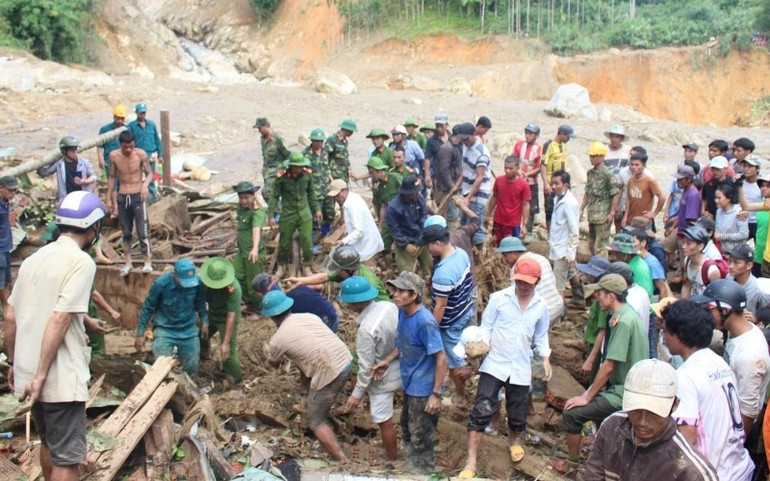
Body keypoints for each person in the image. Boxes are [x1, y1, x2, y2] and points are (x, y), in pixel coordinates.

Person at [5, 191, 105, 481]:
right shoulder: (81, 262)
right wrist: (41, 374)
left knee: (49, 443)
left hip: (28, 372)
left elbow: (10, 316)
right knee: (68, 458)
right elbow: (60, 318)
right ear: (92, 227)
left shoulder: (34, 259)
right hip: (57, 376)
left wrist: (15, 364)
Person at [459, 259, 552, 478]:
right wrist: (477, 348)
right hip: (494, 363)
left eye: (527, 283)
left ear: (537, 282)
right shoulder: (499, 299)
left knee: (517, 412)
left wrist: (546, 358)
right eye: (519, 282)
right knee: (481, 409)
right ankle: (471, 460)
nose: (522, 286)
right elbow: (486, 328)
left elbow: (541, 335)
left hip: (520, 366)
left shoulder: (541, 306)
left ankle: (514, 440)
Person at [661, 299, 754, 481]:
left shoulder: (685, 376)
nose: (663, 337)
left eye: (666, 331)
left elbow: (687, 436)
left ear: (679, 335)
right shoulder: (718, 362)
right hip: (737, 465)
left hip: (715, 472)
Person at [562, 274, 648, 467]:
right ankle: (604, 459)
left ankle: (572, 465)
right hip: (627, 387)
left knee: (572, 414)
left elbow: (609, 365)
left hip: (625, 392)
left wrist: (587, 396)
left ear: (611, 296)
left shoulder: (623, 322)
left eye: (599, 293)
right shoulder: (626, 315)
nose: (596, 297)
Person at [584, 359, 718, 481]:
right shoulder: (612, 428)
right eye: (636, 409)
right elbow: (594, 474)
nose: (642, 421)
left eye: (654, 412)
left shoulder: (690, 472)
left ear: (674, 405)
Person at [262, 290, 352, 463]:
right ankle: (322, 410)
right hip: (346, 360)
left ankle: (341, 460)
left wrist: (269, 355)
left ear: (271, 317)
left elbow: (274, 363)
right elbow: (309, 348)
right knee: (313, 388)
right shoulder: (309, 317)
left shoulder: (278, 339)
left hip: (331, 373)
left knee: (315, 421)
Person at [374, 272, 447, 474]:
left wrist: (436, 394)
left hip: (423, 389)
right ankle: (411, 469)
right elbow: (403, 341)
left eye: (399, 291)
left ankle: (422, 473)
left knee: (421, 436)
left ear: (413, 295)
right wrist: (387, 361)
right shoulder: (402, 312)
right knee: (407, 427)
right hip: (411, 384)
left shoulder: (425, 322)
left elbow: (441, 358)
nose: (394, 295)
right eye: (394, 290)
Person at [338, 277, 401, 461]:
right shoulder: (388, 306)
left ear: (355, 303)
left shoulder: (366, 330)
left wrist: (356, 395)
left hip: (382, 376)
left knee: (384, 422)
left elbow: (365, 369)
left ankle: (392, 461)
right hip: (401, 363)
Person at [701, 279, 770, 434]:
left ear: (725, 310)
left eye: (709, 308)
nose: (706, 313)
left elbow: (748, 412)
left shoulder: (749, 355)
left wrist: (735, 446)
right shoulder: (741, 330)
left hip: (737, 429)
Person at [419, 224, 475, 406]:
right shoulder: (460, 253)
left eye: (428, 245)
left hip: (450, 321)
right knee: (460, 352)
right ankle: (454, 380)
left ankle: (459, 397)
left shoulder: (443, 273)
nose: (427, 249)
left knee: (455, 360)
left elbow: (440, 307)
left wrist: (432, 328)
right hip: (465, 310)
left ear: (437, 243)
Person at [136, 259, 209, 375]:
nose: (186, 286)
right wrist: (140, 333)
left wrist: (205, 321)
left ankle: (189, 387)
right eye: (183, 281)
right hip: (165, 329)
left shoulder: (197, 283)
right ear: (174, 275)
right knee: (161, 366)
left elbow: (200, 302)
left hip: (188, 329)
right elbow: (148, 308)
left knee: (192, 365)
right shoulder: (160, 285)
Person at [107, 130, 153, 276]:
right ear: (120, 144)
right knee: (126, 232)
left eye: (131, 146)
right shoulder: (114, 156)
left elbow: (150, 173)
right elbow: (112, 177)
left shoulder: (140, 154)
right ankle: (128, 262)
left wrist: (145, 185)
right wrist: (109, 198)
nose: (128, 150)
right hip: (123, 196)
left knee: (142, 231)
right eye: (125, 147)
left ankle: (147, 262)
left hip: (137, 195)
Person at [267, 151, 321, 276]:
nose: (298, 169)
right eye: (296, 166)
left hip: (304, 213)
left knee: (307, 241)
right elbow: (274, 196)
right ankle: (281, 266)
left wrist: (317, 209)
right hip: (288, 213)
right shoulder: (282, 178)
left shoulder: (307, 176)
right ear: (290, 166)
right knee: (284, 242)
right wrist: (270, 215)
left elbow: (311, 193)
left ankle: (307, 265)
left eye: (300, 166)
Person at [496, 236, 563, 326]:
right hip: (557, 306)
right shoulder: (540, 258)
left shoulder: (518, 267)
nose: (504, 259)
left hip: (544, 312)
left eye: (505, 255)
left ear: (514, 252)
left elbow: (517, 298)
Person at [287, 246, 390, 303]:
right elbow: (324, 277)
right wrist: (301, 281)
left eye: (338, 269)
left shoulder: (370, 284)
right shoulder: (349, 270)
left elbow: (384, 308)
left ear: (347, 270)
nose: (335, 272)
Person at [199, 257, 243, 384]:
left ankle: (236, 382)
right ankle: (204, 355)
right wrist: (204, 322)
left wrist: (226, 342)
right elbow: (201, 300)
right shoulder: (203, 281)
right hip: (212, 313)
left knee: (228, 354)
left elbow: (231, 316)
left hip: (226, 319)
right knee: (200, 335)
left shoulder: (234, 289)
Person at [252, 273, 340, 332]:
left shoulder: (276, 303)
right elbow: (319, 287)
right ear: (273, 279)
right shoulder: (292, 284)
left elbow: (285, 327)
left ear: (259, 294)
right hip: (334, 316)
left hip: (324, 326)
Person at [385, 174, 432, 277]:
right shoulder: (393, 208)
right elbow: (394, 229)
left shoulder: (419, 198)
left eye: (417, 191)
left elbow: (424, 214)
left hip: (421, 238)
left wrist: (424, 228)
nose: (417, 194)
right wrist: (405, 244)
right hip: (404, 242)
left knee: (430, 266)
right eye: (414, 192)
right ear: (407, 193)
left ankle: (429, 287)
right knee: (406, 275)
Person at [327, 179, 383, 262]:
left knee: (367, 271)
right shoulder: (350, 200)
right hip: (364, 245)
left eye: (337, 195)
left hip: (367, 247)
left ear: (345, 190)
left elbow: (358, 231)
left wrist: (343, 241)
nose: (336, 198)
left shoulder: (353, 205)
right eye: (335, 196)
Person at [230, 181, 266, 310]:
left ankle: (259, 309)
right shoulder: (240, 207)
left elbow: (256, 229)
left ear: (253, 195)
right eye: (241, 198)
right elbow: (240, 226)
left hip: (252, 253)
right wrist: (232, 239)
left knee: (254, 284)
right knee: (235, 276)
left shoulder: (257, 210)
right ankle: (248, 303)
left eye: (247, 198)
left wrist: (255, 248)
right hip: (242, 251)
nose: (244, 201)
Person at [581, 141, 620, 257]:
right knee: (591, 244)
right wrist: (581, 208)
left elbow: (615, 193)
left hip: (603, 217)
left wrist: (612, 212)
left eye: (594, 156)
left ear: (601, 157)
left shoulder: (608, 175)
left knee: (601, 247)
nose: (591, 159)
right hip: (592, 215)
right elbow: (587, 192)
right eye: (590, 156)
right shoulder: (591, 173)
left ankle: (601, 270)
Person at [576, 256, 611, 381]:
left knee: (593, 381)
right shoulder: (598, 295)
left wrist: (590, 360)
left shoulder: (603, 300)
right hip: (592, 344)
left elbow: (602, 331)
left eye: (590, 274)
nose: (588, 276)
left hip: (596, 348)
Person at [456, 122, 492, 246]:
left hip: (478, 195)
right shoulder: (465, 146)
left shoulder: (481, 152)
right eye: (463, 139)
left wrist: (469, 198)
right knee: (464, 225)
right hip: (466, 190)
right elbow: (464, 169)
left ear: (473, 135)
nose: (464, 141)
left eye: (466, 138)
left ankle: (479, 256)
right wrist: (457, 186)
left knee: (475, 226)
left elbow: (480, 178)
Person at [548, 170, 580, 300]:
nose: (553, 187)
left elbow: (574, 230)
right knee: (571, 274)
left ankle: (558, 316)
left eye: (557, 184)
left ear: (566, 186)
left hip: (562, 250)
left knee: (558, 285)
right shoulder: (557, 198)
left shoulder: (569, 203)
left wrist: (571, 253)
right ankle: (580, 299)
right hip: (556, 245)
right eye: (552, 183)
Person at [485, 156, 531, 246]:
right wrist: (488, 215)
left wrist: (524, 225)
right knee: (495, 247)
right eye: (505, 168)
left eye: (511, 168)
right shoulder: (499, 181)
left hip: (513, 224)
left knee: (511, 249)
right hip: (498, 221)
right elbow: (494, 197)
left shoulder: (523, 185)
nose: (507, 171)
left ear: (518, 168)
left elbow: (525, 205)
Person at [38, 136, 98, 203]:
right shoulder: (59, 164)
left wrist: (84, 181)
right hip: (67, 200)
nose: (75, 152)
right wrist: (40, 162)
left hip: (83, 199)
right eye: (72, 150)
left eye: (76, 149)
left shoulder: (84, 162)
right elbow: (44, 173)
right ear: (64, 151)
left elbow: (93, 176)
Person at [513, 122, 544, 244]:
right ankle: (516, 228)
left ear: (536, 135)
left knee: (531, 207)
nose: (527, 136)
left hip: (531, 182)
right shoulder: (519, 145)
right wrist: (519, 171)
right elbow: (513, 160)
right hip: (518, 180)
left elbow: (539, 167)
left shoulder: (539, 149)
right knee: (516, 205)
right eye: (526, 133)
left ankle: (529, 230)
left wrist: (528, 174)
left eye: (530, 133)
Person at [542, 124, 574, 232]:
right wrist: (546, 183)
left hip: (563, 181)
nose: (569, 139)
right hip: (552, 182)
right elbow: (543, 164)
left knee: (565, 206)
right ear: (561, 134)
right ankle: (549, 233)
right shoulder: (548, 145)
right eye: (568, 137)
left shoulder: (564, 145)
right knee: (550, 208)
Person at [127, 103, 162, 203]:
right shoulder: (131, 126)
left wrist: (160, 154)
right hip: (137, 155)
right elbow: (128, 141)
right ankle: (138, 198)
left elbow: (157, 140)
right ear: (136, 113)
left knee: (150, 176)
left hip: (150, 155)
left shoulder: (151, 125)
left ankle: (152, 198)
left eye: (144, 113)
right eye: (141, 113)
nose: (142, 115)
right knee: (136, 177)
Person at [366, 156, 402, 252]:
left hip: (402, 214)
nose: (370, 175)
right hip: (390, 217)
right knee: (382, 243)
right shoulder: (379, 186)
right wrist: (380, 225)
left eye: (371, 172)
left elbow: (408, 191)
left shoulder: (394, 178)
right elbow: (383, 206)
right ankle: (387, 262)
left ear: (378, 171)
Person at [253, 117, 290, 206]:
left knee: (266, 193)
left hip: (277, 172)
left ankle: (280, 212)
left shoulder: (278, 139)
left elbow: (288, 155)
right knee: (273, 194)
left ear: (266, 126)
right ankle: (276, 213)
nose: (258, 130)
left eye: (259, 128)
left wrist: (284, 170)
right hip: (267, 173)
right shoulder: (263, 139)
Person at [726, 244, 770, 318]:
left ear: (749, 265)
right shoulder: (729, 278)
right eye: (729, 261)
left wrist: (756, 318)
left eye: (736, 263)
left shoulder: (758, 290)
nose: (730, 266)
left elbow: (767, 314)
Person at [304, 128, 334, 237]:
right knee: (315, 218)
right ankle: (313, 242)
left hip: (326, 189)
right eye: (317, 141)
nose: (319, 143)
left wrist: (332, 182)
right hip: (314, 192)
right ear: (312, 141)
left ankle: (326, 235)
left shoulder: (325, 152)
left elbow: (327, 168)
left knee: (329, 214)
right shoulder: (306, 155)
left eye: (321, 141)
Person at [622, 151, 664, 227]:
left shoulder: (650, 181)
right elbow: (628, 199)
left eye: (637, 165)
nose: (634, 167)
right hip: (630, 219)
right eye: (632, 164)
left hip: (644, 221)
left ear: (644, 166)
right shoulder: (630, 181)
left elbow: (662, 198)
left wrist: (654, 213)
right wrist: (625, 216)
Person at [97, 104, 126, 211]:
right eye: (118, 118)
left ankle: (122, 205)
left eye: (121, 118)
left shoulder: (126, 129)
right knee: (112, 182)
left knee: (122, 183)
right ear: (114, 117)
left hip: (123, 160)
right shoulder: (105, 129)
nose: (119, 121)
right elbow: (99, 145)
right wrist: (100, 159)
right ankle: (115, 207)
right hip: (110, 160)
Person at [603, 125, 632, 233]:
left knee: (620, 215)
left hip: (622, 188)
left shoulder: (627, 151)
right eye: (613, 136)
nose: (614, 139)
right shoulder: (604, 150)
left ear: (621, 138)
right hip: (607, 188)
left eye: (617, 137)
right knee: (607, 214)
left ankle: (618, 237)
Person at [433, 125, 463, 228]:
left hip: (452, 187)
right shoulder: (447, 148)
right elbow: (443, 170)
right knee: (452, 217)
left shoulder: (454, 147)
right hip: (447, 189)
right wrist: (451, 186)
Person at [680, 226, 722, 298]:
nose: (683, 246)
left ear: (700, 246)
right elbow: (687, 284)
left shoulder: (711, 270)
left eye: (688, 243)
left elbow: (716, 296)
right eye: (683, 242)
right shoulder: (687, 261)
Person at [629, 228, 672, 298]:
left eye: (633, 242)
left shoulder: (651, 262)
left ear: (643, 243)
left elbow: (663, 289)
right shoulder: (636, 258)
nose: (630, 245)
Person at [608, 233, 654, 297]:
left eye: (617, 253)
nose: (615, 255)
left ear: (626, 253)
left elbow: (645, 296)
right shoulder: (629, 263)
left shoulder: (639, 268)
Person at [714, 182, 748, 254]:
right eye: (715, 198)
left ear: (728, 198)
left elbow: (744, 234)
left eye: (719, 198)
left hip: (736, 253)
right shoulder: (719, 211)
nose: (716, 201)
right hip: (723, 252)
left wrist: (723, 237)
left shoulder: (739, 212)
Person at [0, 176, 17, 308]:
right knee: (1, 279)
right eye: (10, 191)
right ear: (1, 189)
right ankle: (6, 306)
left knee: (7, 279)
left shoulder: (5, 202)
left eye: (15, 191)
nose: (13, 194)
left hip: (5, 246)